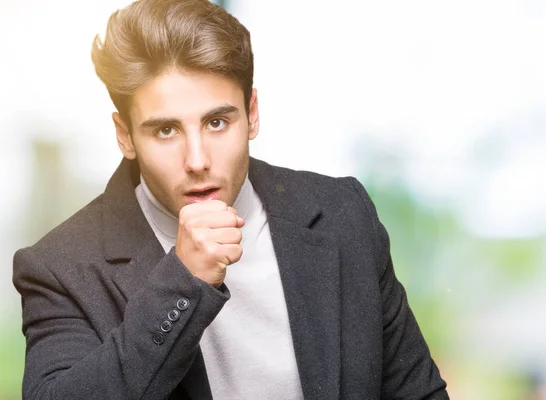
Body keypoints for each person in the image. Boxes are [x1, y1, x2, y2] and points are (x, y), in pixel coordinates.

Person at [13, 0, 448, 399]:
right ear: (125, 135)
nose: (197, 160)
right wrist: (183, 282)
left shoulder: (342, 213)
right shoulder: (59, 268)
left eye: (217, 122)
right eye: (165, 130)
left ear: (252, 113)